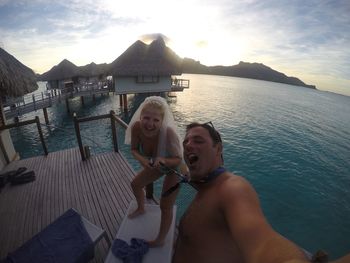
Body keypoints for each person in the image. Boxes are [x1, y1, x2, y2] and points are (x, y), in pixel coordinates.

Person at [173, 122, 350, 263]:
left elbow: (261, 242)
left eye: (198, 141)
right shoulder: (206, 185)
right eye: (186, 141)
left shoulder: (232, 188)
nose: (188, 145)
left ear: (218, 149)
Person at [124, 96, 183, 247]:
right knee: (135, 184)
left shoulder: (168, 133)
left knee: (165, 206)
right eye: (147, 118)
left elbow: (178, 159)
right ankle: (141, 208)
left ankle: (160, 240)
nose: (150, 124)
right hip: (155, 165)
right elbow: (134, 149)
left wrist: (164, 160)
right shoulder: (136, 128)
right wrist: (143, 160)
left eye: (156, 120)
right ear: (140, 116)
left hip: (173, 168)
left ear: (162, 121)